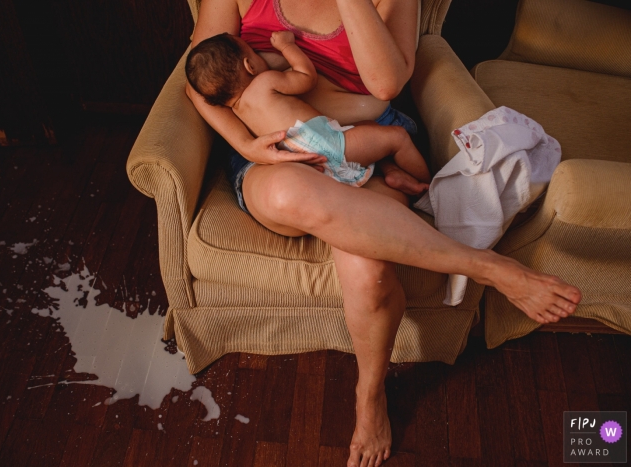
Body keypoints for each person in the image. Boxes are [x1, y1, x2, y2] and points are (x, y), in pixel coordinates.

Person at [185, 1, 582, 466]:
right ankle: (487, 267)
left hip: (363, 143)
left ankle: (369, 396)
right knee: (286, 196)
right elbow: (195, 81)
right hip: (275, 155)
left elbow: (386, 84)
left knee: (369, 271)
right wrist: (247, 144)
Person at [185, 31, 431, 192]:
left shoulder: (238, 113)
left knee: (370, 127)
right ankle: (428, 190)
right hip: (333, 147)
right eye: (252, 52)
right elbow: (306, 78)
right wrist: (287, 47)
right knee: (397, 136)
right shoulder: (264, 82)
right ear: (249, 66)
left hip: (310, 167)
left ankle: (393, 172)